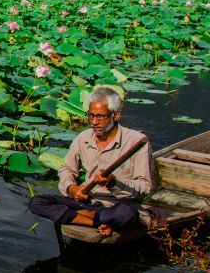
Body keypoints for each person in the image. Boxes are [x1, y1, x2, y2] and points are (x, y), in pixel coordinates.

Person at [29, 87, 155, 236]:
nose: (94, 122)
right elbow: (66, 169)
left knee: (126, 214)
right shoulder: (83, 138)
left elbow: (146, 187)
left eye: (100, 117)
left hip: (118, 205)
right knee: (37, 202)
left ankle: (95, 218)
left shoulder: (136, 142)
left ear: (116, 115)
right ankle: (96, 222)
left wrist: (114, 183)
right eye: (91, 116)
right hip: (89, 203)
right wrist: (71, 188)